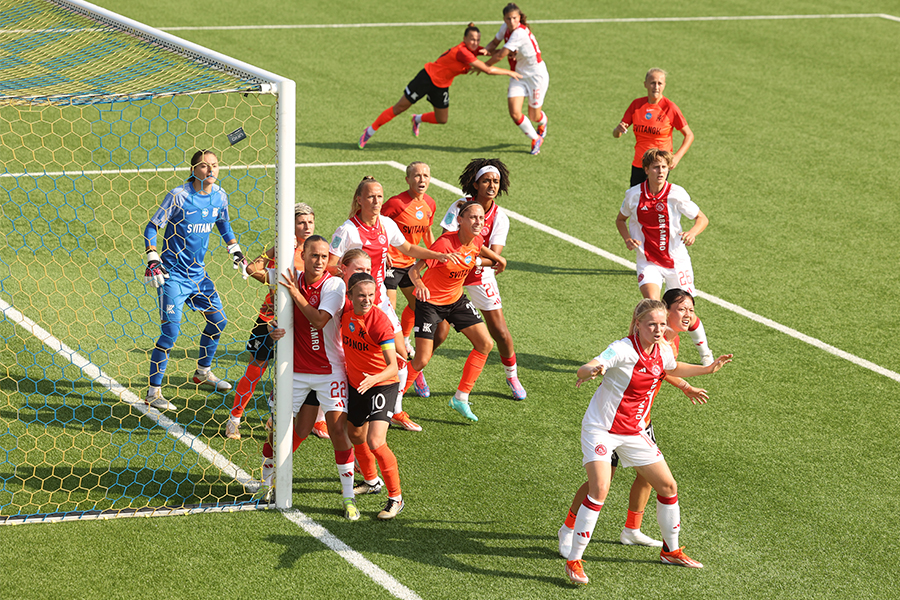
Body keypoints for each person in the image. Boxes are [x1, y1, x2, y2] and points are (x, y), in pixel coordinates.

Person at [562, 299, 732, 585]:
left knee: (668, 486)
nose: (658, 329)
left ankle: (671, 551)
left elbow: (673, 367)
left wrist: (707, 369)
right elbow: (592, 364)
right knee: (600, 488)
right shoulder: (622, 348)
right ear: (638, 324)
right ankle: (574, 561)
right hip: (601, 429)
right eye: (652, 324)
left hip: (634, 431)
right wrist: (589, 371)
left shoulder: (662, 350)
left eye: (662, 324)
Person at [329, 176, 457, 432]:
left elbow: (408, 247)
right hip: (354, 304)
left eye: (379, 196)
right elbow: (331, 265)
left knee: (400, 355)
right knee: (343, 355)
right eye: (370, 197)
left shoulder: (386, 224)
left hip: (381, 303)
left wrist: (437, 254)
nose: (376, 201)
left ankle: (395, 408)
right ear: (359, 200)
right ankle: (327, 410)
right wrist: (352, 279)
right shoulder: (348, 230)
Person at [142, 149, 245, 410]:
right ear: (193, 170)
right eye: (203, 166)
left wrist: (235, 250)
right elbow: (152, 226)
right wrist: (153, 257)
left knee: (219, 321)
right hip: (174, 276)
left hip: (199, 276)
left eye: (214, 165)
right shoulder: (179, 196)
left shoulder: (220, 196)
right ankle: (154, 392)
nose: (210, 170)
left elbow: (224, 224)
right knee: (170, 333)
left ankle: (202, 372)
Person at [269, 234, 360, 520]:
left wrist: (295, 294)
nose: (320, 261)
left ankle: (348, 497)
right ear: (303, 256)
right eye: (314, 255)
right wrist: (276, 326)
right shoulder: (290, 278)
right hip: (294, 371)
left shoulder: (334, 284)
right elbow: (255, 269)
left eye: (324, 256)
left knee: (337, 431)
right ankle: (266, 483)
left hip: (329, 370)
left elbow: (319, 320)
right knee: (287, 429)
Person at [225, 203, 328, 441]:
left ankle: (294, 419)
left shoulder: (318, 253)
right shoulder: (283, 251)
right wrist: (274, 249)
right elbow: (252, 269)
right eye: (301, 222)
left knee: (300, 372)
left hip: (302, 323)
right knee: (255, 370)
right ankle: (234, 420)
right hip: (269, 319)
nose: (307, 226)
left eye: (310, 222)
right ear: (290, 225)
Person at [405, 200, 506, 422]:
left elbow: (479, 248)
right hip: (430, 303)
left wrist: (497, 260)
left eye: (481, 218)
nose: (478, 221)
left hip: (456, 300)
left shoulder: (476, 239)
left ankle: (460, 398)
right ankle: (393, 398)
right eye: (472, 217)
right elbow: (414, 271)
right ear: (459, 221)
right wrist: (420, 285)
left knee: (485, 343)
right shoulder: (443, 245)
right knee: (421, 360)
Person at [616, 147, 714, 365]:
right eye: (656, 167)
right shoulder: (633, 196)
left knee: (684, 312)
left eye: (664, 167)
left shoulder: (676, 193)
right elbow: (620, 220)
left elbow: (702, 219)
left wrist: (692, 233)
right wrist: (627, 239)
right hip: (648, 261)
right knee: (651, 306)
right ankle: (639, 354)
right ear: (646, 170)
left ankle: (705, 352)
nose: (661, 171)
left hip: (676, 262)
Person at [438, 159, 526, 400]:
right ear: (475, 183)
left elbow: (494, 258)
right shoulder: (458, 206)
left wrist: (471, 260)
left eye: (496, 181)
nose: (492, 185)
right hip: (450, 276)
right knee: (439, 333)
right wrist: (464, 257)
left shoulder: (500, 218)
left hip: (477, 275)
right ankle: (419, 369)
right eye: (487, 180)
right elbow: (445, 241)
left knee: (499, 330)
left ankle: (512, 375)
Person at [358, 23, 521, 148]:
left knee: (442, 119)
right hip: (426, 78)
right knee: (400, 107)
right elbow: (487, 69)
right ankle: (370, 131)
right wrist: (510, 72)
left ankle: (417, 119)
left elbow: (488, 52)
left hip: (441, 86)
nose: (475, 42)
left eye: (477, 40)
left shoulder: (472, 49)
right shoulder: (462, 51)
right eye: (472, 39)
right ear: (464, 39)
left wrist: (508, 51)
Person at [341, 272, 405, 520]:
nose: (367, 300)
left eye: (370, 295)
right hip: (358, 385)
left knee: (376, 441)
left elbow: (393, 365)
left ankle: (396, 498)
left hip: (382, 385)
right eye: (361, 296)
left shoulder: (379, 322)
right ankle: (371, 481)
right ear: (350, 297)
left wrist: (373, 379)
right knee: (356, 434)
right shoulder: (345, 314)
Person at [381, 162, 436, 360]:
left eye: (425, 175)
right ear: (407, 180)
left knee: (417, 304)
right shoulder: (396, 203)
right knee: (389, 308)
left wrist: (433, 255)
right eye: (417, 176)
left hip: (410, 265)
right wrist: (383, 248)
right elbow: (377, 223)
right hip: (390, 264)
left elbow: (427, 231)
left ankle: (403, 339)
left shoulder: (430, 203)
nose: (422, 180)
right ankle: (388, 350)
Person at [484, 3, 550, 155]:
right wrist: (481, 51)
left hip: (535, 76)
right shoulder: (505, 28)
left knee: (534, 115)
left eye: (514, 18)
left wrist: (484, 66)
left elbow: (501, 54)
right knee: (514, 113)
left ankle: (543, 121)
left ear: (519, 18)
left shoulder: (519, 33)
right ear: (504, 19)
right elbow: (494, 44)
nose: (512, 21)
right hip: (517, 75)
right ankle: (536, 139)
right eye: (508, 19)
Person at [613, 68, 694, 187]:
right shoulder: (636, 105)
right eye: (652, 83)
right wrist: (617, 130)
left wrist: (676, 157)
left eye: (659, 83)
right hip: (639, 164)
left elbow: (689, 135)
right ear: (645, 84)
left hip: (659, 167)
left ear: (664, 85)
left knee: (655, 202)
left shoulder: (670, 108)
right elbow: (617, 134)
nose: (656, 87)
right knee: (636, 201)